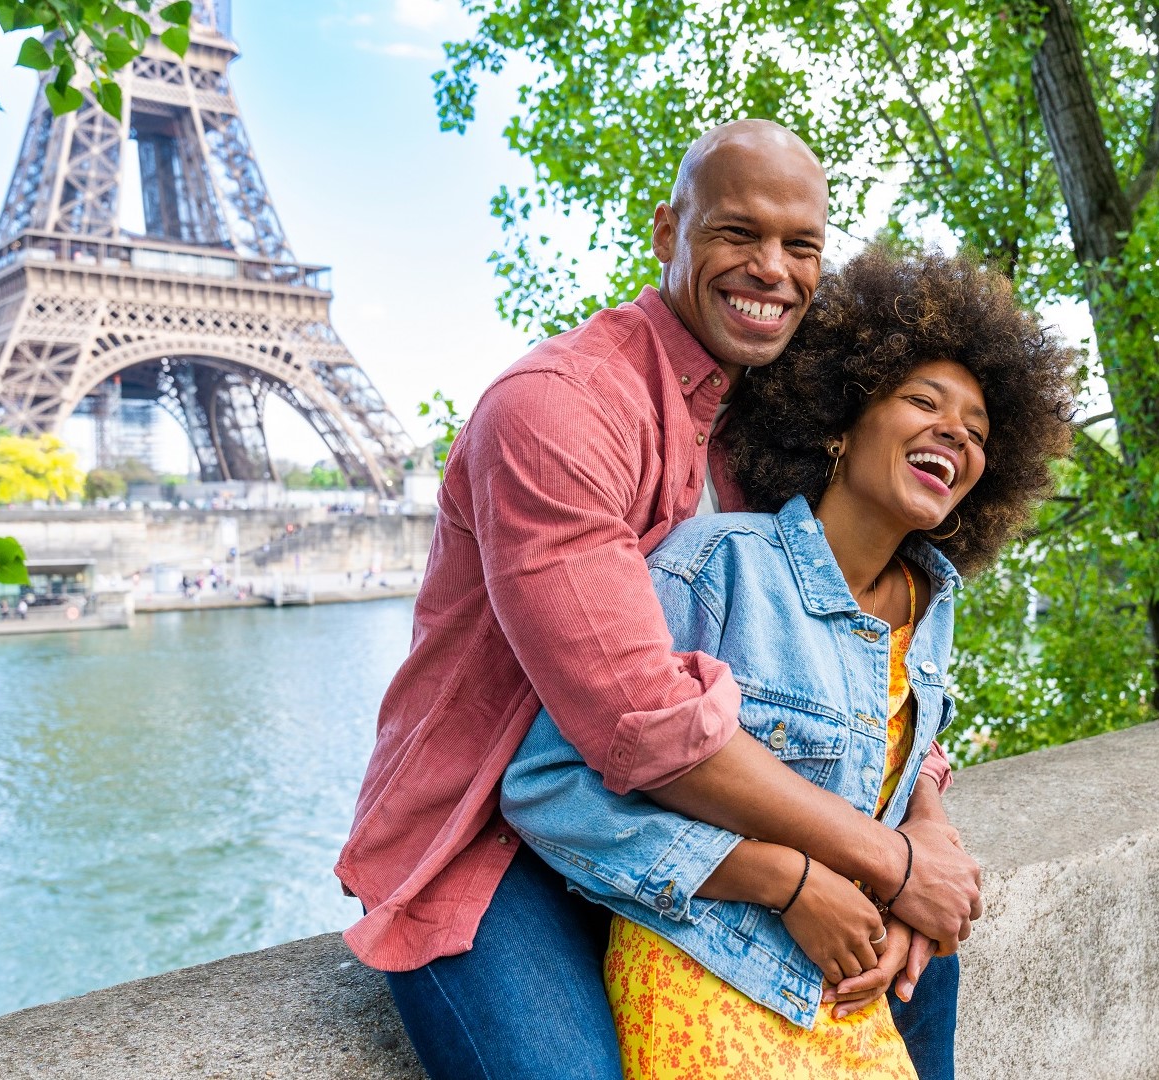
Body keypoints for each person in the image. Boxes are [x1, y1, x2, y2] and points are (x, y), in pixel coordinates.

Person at [337, 121, 983, 1080]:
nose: (772, 269)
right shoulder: (558, 408)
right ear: (665, 231)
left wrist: (921, 818)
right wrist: (876, 864)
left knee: (921, 978)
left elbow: (858, 666)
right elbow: (643, 725)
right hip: (497, 838)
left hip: (689, 825)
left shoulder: (770, 436)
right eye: (737, 233)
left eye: (801, 246)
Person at [502, 244, 1077, 1077]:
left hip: (844, 993)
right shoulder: (720, 567)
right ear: (841, 425)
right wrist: (788, 879)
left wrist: (921, 848)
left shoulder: (929, 609)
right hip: (708, 977)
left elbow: (879, 767)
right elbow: (550, 782)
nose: (955, 430)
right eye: (924, 400)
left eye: (980, 432)